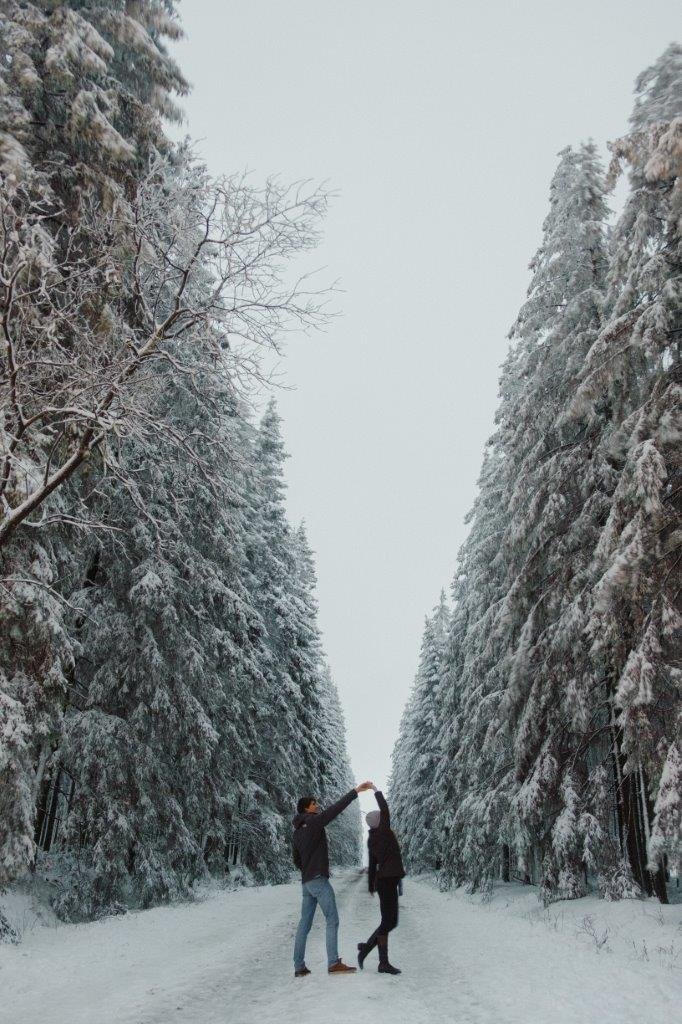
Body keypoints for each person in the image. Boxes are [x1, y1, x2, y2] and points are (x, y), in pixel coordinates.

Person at [292, 781, 374, 977]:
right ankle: (333, 963)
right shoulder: (313, 822)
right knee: (332, 919)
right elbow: (334, 810)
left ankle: (299, 966)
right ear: (306, 808)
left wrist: (308, 870)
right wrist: (355, 791)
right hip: (318, 880)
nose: (317, 805)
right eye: (313, 803)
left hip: (307, 882)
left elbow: (296, 859)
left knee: (304, 924)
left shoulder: (296, 832)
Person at [357, 785, 405, 975]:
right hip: (387, 881)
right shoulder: (383, 831)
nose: (383, 816)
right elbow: (385, 809)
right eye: (380, 816)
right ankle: (370, 952)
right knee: (389, 922)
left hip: (385, 882)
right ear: (379, 821)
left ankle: (374, 954)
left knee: (389, 921)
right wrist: (376, 791)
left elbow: (372, 862)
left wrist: (371, 885)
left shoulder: (372, 838)